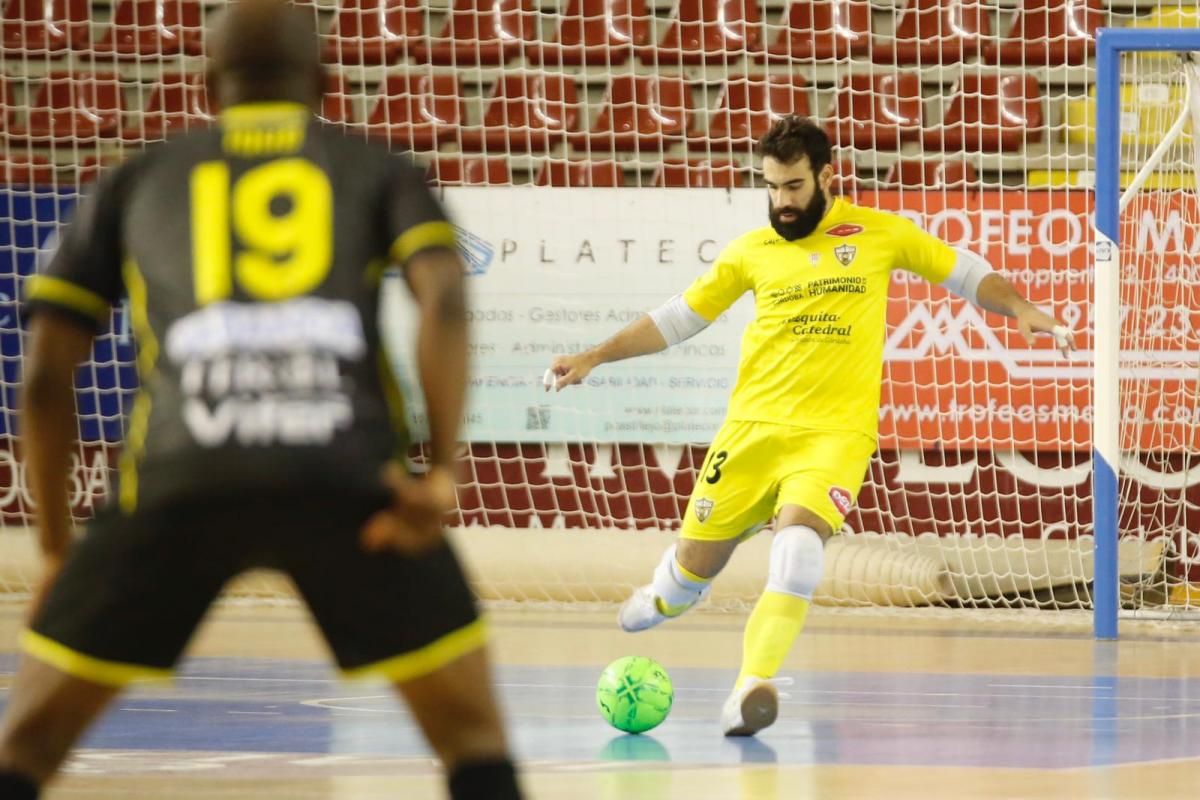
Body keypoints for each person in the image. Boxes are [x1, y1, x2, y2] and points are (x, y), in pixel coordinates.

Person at [0, 3, 522, 799]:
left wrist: (58, 553)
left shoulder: (137, 178)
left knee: (26, 749)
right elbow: (444, 297)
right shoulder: (375, 166)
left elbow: (42, 377)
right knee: (475, 742)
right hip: (350, 483)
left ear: (207, 84)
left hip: (175, 482)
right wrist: (440, 472)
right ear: (325, 81)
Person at [546, 116, 1075, 738]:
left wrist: (1020, 307)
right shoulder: (752, 251)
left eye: (794, 186)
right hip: (750, 434)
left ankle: (749, 688)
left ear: (827, 175)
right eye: (771, 187)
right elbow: (677, 319)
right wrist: (593, 356)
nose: (782, 201)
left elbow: (960, 269)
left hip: (833, 436)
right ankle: (663, 598)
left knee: (797, 554)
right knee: (691, 575)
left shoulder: (878, 234)